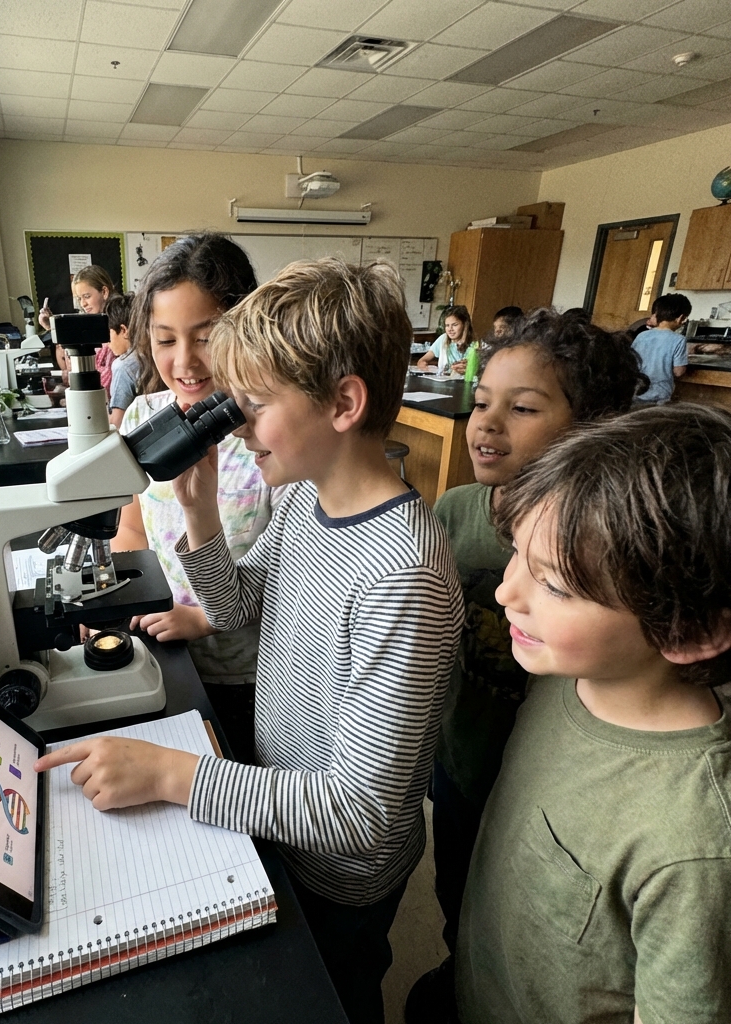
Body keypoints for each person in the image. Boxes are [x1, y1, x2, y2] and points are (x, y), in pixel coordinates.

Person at [38, 258, 465, 1024]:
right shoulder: (303, 499)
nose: (235, 425)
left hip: (340, 870)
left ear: (344, 403)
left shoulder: (404, 576)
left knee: (335, 998)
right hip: (272, 809)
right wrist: (200, 512)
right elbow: (234, 608)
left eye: (255, 404)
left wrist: (171, 775)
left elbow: (360, 812)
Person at [457, 403, 731, 1024]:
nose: (505, 592)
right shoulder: (566, 675)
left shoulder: (694, 850)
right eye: (516, 552)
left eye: (554, 584)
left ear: (688, 629)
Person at [405, 308, 643, 1024]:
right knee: (456, 889)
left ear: (591, 426)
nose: (487, 423)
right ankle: (459, 967)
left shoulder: (599, 544)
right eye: (482, 402)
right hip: (462, 756)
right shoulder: (455, 512)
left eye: (523, 408)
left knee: (525, 917)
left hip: (543, 784)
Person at [113, 233, 278, 762]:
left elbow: (286, 575)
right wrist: (122, 601)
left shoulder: (271, 442)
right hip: (162, 651)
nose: (185, 360)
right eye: (165, 340)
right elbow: (132, 528)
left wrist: (202, 618)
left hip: (245, 673)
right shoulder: (142, 417)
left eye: (205, 337)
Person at [38, 265, 115, 395]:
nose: (83, 304)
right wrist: (53, 328)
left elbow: (107, 379)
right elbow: (68, 366)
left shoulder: (116, 324)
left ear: (104, 292)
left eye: (87, 296)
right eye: (79, 298)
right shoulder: (89, 323)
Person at [632, 292, 691, 403]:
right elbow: (678, 372)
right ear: (681, 318)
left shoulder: (641, 336)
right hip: (660, 394)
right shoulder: (679, 339)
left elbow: (631, 361)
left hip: (636, 390)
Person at [104, 292, 139, 428]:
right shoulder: (154, 355)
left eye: (108, 335)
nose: (107, 343)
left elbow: (116, 423)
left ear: (124, 330)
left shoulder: (123, 366)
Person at [417, 305, 473, 373]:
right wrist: (422, 363)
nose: (450, 329)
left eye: (455, 325)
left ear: (465, 324)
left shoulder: (474, 345)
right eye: (447, 325)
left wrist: (467, 369)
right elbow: (422, 360)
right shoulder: (443, 339)